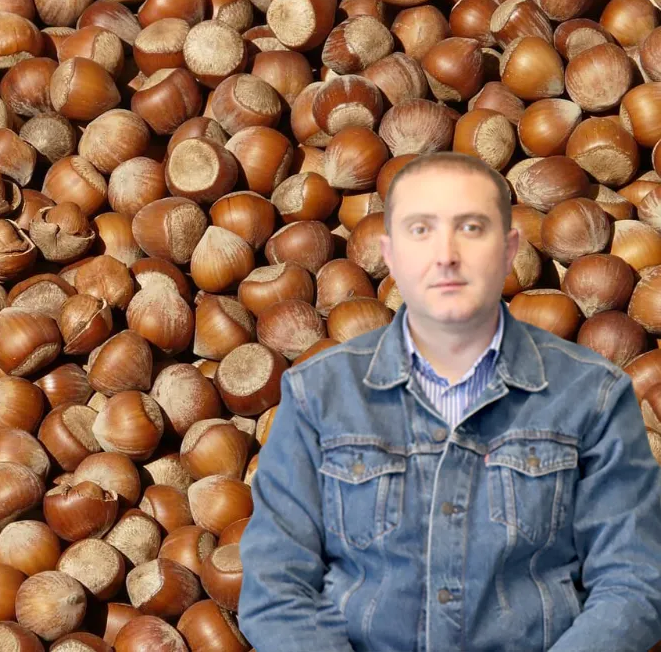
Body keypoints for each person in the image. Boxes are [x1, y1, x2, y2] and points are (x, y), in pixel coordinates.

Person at [237, 152, 661, 652]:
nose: (446, 257)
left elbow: (635, 582)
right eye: (421, 231)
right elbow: (275, 589)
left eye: (471, 229)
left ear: (510, 251)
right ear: (389, 256)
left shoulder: (593, 393)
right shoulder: (317, 393)